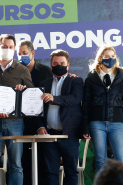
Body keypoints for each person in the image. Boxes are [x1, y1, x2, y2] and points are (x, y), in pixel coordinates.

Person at [0, 34, 33, 185]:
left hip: (15, 122)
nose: (7, 49)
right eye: (4, 47)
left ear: (15, 49)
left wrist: (23, 90)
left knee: (16, 165)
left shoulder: (22, 70)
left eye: (11, 47)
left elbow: (31, 95)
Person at [37, 49, 83, 185]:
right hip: (49, 135)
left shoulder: (76, 81)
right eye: (55, 63)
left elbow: (74, 99)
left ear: (68, 65)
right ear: (51, 65)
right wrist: (40, 126)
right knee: (50, 172)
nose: (59, 65)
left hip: (70, 134)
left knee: (71, 171)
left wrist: (54, 98)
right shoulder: (43, 84)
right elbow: (37, 109)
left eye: (62, 63)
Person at [82, 44, 123, 172]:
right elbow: (86, 103)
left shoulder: (121, 75)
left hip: (116, 123)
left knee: (121, 160)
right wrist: (85, 126)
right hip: (96, 123)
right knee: (100, 161)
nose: (110, 59)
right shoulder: (91, 77)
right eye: (107, 56)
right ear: (100, 58)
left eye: (112, 56)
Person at [17, 40, 53, 185]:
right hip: (22, 122)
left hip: (42, 123)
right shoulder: (15, 70)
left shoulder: (45, 71)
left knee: (43, 161)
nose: (22, 56)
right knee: (24, 161)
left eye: (24, 53)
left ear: (33, 53)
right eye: (19, 54)